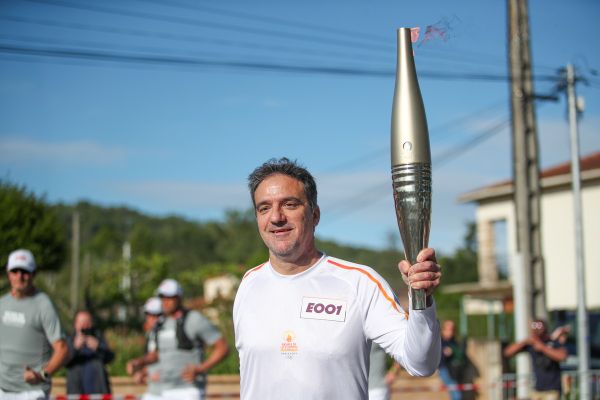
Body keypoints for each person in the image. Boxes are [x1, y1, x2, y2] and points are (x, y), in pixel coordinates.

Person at [233, 157, 442, 399]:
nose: (276, 217)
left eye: (289, 204)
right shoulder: (249, 284)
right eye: (264, 207)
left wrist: (421, 299)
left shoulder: (360, 283)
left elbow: (421, 364)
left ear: (315, 215)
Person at [128, 279, 229, 400]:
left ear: (179, 298)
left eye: (170, 297)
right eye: (162, 297)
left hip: (188, 390)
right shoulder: (161, 323)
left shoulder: (194, 319)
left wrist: (200, 369)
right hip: (165, 390)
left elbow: (222, 348)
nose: (165, 301)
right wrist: (140, 362)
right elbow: (156, 354)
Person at [0, 249, 69, 399]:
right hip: (2, 391)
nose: (20, 276)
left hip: (31, 392)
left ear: (33, 274)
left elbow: (62, 349)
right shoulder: (2, 304)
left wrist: (43, 374)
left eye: (25, 271)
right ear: (8, 274)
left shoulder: (43, 305)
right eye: (15, 271)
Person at [503, 319, 567, 400]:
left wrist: (543, 348)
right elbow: (507, 352)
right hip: (537, 389)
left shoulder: (552, 342)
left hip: (552, 389)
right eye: (535, 327)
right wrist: (525, 341)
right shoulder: (531, 344)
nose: (537, 330)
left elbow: (563, 356)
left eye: (539, 327)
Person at [65, 310, 114, 395]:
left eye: (87, 322)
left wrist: (98, 347)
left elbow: (110, 357)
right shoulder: (69, 341)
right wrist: (75, 348)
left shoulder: (98, 338)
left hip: (98, 393)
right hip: (76, 393)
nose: (84, 325)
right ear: (75, 324)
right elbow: (63, 362)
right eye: (81, 322)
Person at [128, 297, 164, 400]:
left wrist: (142, 369)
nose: (151, 318)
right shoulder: (151, 333)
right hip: (155, 386)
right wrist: (142, 371)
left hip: (168, 386)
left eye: (156, 315)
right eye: (149, 314)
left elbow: (161, 356)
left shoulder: (165, 333)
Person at [439, 320, 464, 400]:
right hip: (445, 369)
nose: (450, 332)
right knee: (456, 395)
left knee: (456, 394)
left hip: (454, 370)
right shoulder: (439, 342)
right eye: (448, 329)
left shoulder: (454, 342)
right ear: (443, 330)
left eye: (452, 329)